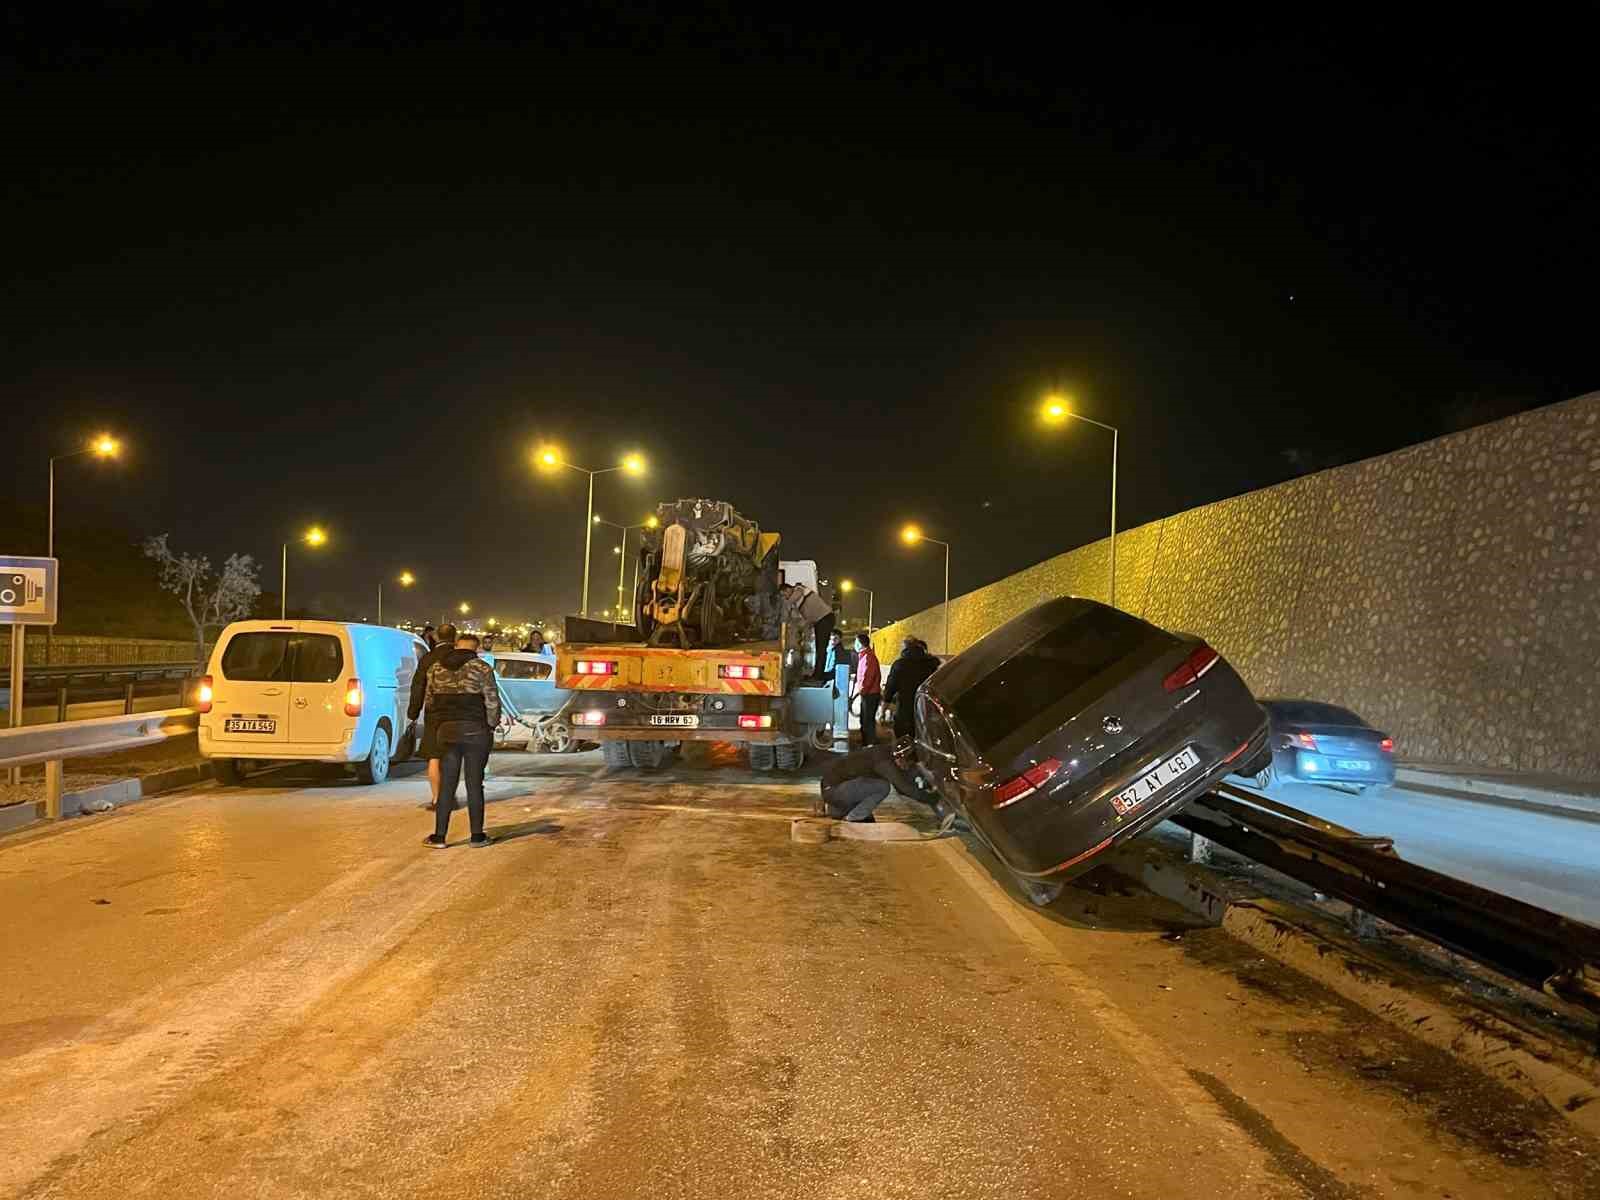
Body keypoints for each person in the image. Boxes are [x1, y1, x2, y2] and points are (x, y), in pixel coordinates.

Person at [420, 632, 500, 849]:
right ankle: (477, 836)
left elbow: (429, 702)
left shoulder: (436, 668)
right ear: (475, 649)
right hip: (476, 731)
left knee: (447, 784)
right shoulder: (482, 668)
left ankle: (439, 836)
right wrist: (491, 725)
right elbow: (492, 702)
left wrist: (438, 726)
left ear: (456, 646)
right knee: (475, 784)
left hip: (447, 732)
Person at [818, 736, 932, 822]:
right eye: (908, 764)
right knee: (883, 787)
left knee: (864, 817)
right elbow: (903, 788)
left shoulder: (885, 751)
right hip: (836, 791)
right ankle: (854, 818)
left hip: (832, 788)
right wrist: (932, 799)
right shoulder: (884, 763)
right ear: (903, 759)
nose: (906, 768)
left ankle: (838, 808)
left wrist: (923, 783)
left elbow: (905, 778)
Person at [407, 622, 459, 812]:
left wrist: (413, 712)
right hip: (457, 713)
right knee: (453, 755)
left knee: (434, 756)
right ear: (455, 638)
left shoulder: (428, 659)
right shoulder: (460, 658)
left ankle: (438, 799)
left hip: (434, 713)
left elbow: (418, 686)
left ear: (436, 637)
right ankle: (450, 796)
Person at [884, 636, 941, 741]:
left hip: (905, 707)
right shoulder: (930, 663)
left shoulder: (900, 664)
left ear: (905, 647)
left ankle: (906, 755)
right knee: (923, 736)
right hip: (925, 706)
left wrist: (885, 704)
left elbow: (891, 686)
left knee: (903, 736)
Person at [781, 577, 835, 680]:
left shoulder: (799, 589)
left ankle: (818, 675)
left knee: (821, 649)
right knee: (819, 648)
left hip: (825, 618)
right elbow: (802, 620)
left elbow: (794, 597)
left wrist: (786, 604)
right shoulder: (797, 603)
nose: (785, 597)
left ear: (788, 589)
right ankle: (817, 674)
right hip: (820, 621)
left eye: (784, 594)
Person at [851, 631, 882, 746]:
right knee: (865, 719)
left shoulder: (868, 657)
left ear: (860, 644)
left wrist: (862, 690)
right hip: (869, 693)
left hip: (870, 694)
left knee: (867, 720)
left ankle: (870, 743)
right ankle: (867, 742)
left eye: (855, 642)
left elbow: (868, 675)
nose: (854, 645)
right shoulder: (865, 656)